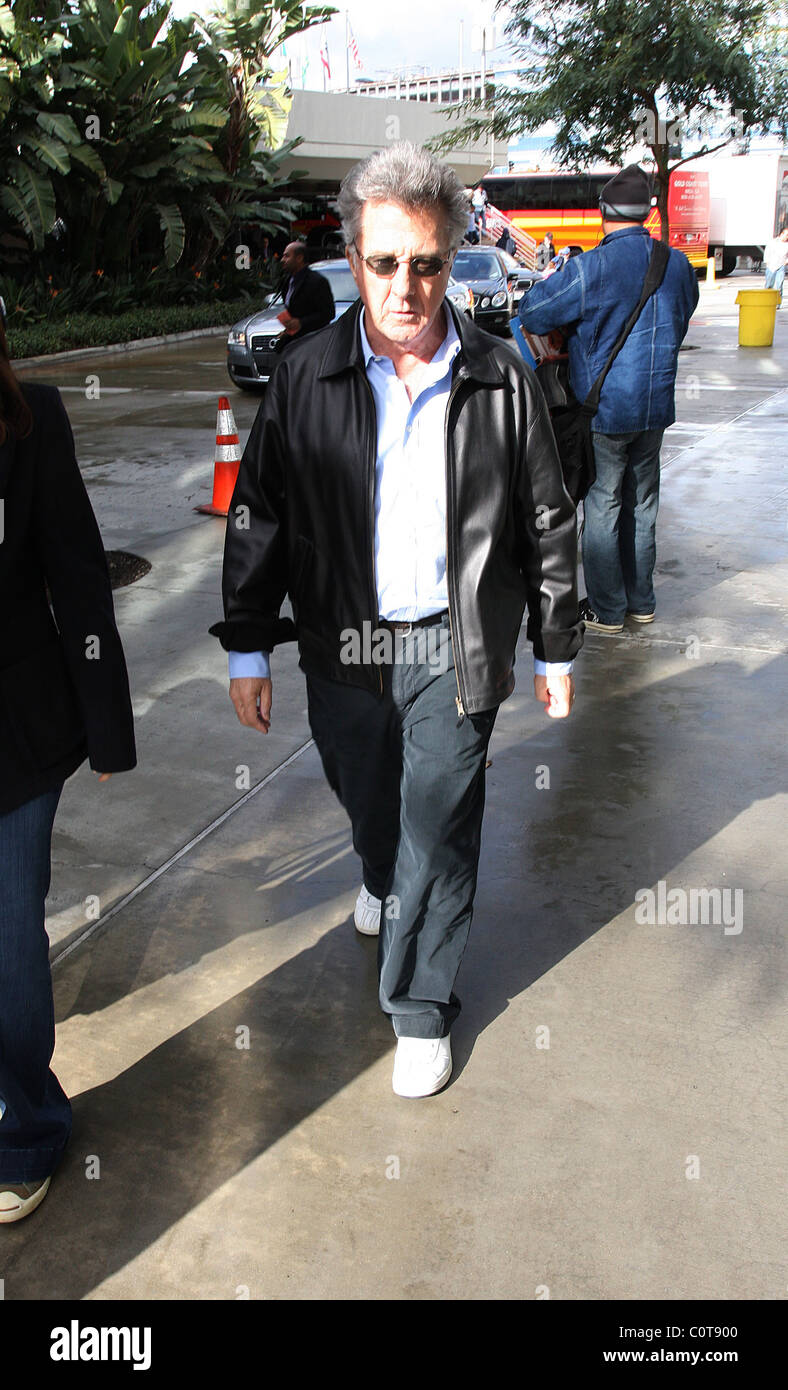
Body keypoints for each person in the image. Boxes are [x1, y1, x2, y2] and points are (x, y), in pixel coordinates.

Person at [210, 141, 581, 1099]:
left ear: (452, 258)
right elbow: (261, 513)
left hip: (455, 644)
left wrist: (556, 641)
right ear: (355, 258)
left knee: (442, 820)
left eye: (426, 263)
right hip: (346, 644)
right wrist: (248, 644)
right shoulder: (304, 378)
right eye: (384, 264)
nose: (406, 287)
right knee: (377, 809)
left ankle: (420, 1007)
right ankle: (378, 874)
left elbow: (547, 510)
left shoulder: (501, 378)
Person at [0, 329, 136, 1223]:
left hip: (16, 738)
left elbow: (78, 577)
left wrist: (107, 728)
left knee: (10, 935)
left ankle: (26, 1132)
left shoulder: (31, 421)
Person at [519, 165, 699, 633]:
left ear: (603, 212)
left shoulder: (590, 266)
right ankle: (641, 601)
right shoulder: (676, 263)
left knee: (602, 506)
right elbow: (683, 313)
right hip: (655, 406)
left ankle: (607, 609)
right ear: (648, 212)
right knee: (642, 506)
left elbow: (533, 313)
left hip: (604, 410)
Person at [274, 241, 335, 351]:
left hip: (312, 343)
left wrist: (301, 323)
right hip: (293, 342)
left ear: (299, 258)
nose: (283, 260)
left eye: (287, 256)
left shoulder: (317, 281)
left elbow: (328, 314)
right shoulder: (287, 281)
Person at [763, 226, 788, 304]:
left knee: (779, 285)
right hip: (771, 266)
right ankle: (767, 301)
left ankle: (777, 303)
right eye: (786, 235)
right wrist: (767, 263)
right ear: (781, 234)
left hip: (781, 266)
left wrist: (786, 262)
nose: (787, 237)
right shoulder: (772, 242)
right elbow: (767, 253)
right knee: (769, 285)